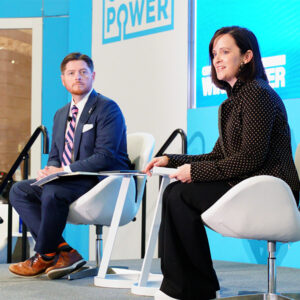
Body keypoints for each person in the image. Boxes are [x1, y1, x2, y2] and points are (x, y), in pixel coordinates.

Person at [144, 26, 300, 300]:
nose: (216, 58)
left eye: (225, 52)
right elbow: (219, 155)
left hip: (270, 193)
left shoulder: (257, 93)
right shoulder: (236, 99)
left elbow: (252, 157)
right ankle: (193, 287)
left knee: (180, 194)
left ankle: (190, 289)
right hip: (250, 184)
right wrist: (173, 159)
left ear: (247, 56)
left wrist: (192, 172)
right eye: (214, 53)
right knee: (175, 192)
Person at [9, 52, 131, 279]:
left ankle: (44, 255)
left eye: (84, 72)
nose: (78, 77)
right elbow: (55, 155)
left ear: (93, 76)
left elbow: (105, 156)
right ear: (63, 79)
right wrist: (50, 171)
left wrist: (62, 172)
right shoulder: (60, 114)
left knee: (53, 192)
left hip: (99, 180)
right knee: (19, 190)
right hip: (68, 179)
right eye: (72, 73)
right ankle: (64, 251)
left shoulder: (107, 109)